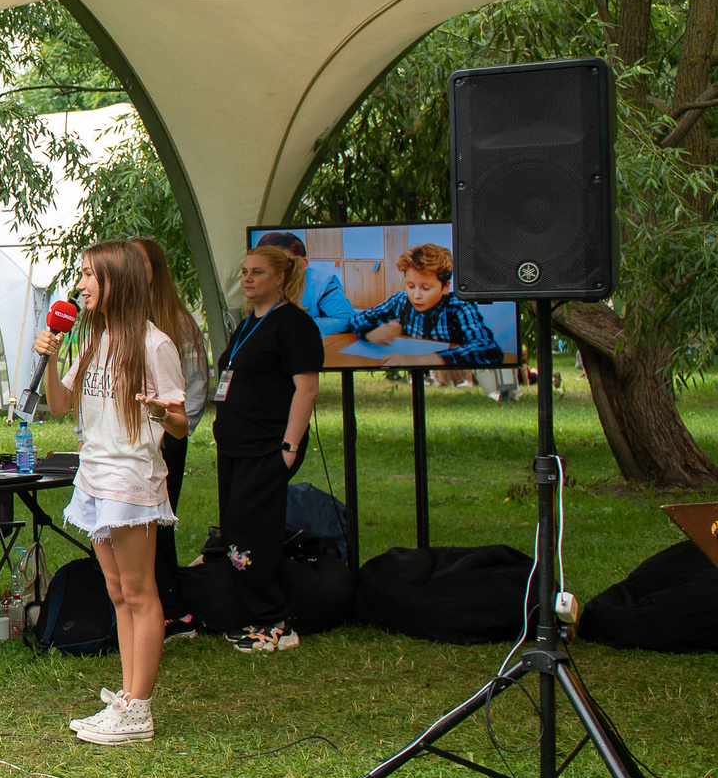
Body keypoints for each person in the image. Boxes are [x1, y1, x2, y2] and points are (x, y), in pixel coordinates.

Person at [32, 241, 187, 745]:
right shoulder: (95, 340)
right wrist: (51, 359)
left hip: (131, 481)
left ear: (116, 280)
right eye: (80, 275)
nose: (79, 285)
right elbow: (59, 405)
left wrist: (160, 411)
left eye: (88, 275)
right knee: (118, 591)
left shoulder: (153, 344)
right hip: (94, 476)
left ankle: (139, 709)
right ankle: (126, 697)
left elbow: (181, 424)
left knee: (140, 593)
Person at [212, 245, 323, 654]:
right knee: (236, 530)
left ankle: (275, 621)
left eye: (257, 272)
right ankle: (254, 613)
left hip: (268, 446)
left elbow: (306, 388)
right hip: (236, 446)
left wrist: (289, 446)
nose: (247, 279)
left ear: (280, 277)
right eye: (244, 271)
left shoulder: (293, 324)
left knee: (252, 530)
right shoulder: (247, 325)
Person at [132, 236, 210, 627]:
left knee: (159, 525)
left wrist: (174, 432)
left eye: (139, 262)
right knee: (133, 530)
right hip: (128, 443)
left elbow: (194, 389)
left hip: (165, 440)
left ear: (154, 271)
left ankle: (171, 610)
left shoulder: (176, 323)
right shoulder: (119, 322)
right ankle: (149, 607)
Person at [342, 242, 502, 369]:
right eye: (411, 286)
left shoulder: (459, 306)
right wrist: (369, 333)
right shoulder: (400, 300)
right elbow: (357, 319)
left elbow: (488, 348)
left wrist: (423, 360)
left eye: (426, 288)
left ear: (445, 287)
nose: (416, 295)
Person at [256, 229, 357, 336]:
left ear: (303, 264)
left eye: (281, 262)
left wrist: (293, 325)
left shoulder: (323, 283)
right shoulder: (255, 282)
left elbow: (345, 320)